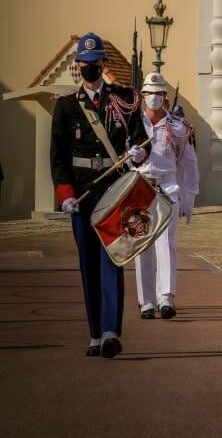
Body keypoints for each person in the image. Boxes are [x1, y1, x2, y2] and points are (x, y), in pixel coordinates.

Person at [50, 33, 148, 358]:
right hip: (81, 194)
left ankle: (110, 332)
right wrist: (64, 194)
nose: (90, 69)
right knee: (88, 264)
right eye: (85, 64)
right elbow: (58, 155)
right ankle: (94, 333)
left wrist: (137, 153)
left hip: (114, 191)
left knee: (113, 259)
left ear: (103, 64)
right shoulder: (65, 106)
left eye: (95, 64)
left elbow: (141, 139)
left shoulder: (123, 99)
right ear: (78, 66)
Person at [135, 72, 199, 319]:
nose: (154, 98)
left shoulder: (177, 126)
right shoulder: (134, 125)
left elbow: (189, 162)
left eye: (159, 94)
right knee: (141, 243)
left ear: (166, 97)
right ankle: (146, 300)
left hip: (167, 187)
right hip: (139, 187)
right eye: (149, 94)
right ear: (142, 96)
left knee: (166, 242)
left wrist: (189, 196)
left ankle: (166, 298)